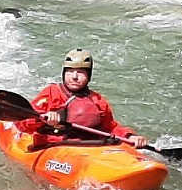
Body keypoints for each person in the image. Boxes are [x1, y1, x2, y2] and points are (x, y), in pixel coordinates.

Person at [15, 49, 147, 148]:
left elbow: (111, 129)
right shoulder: (51, 93)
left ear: (88, 76)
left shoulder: (97, 100)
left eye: (80, 72)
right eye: (70, 71)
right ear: (64, 73)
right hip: (54, 145)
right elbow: (22, 124)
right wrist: (42, 118)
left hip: (88, 147)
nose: (74, 77)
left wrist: (130, 136)